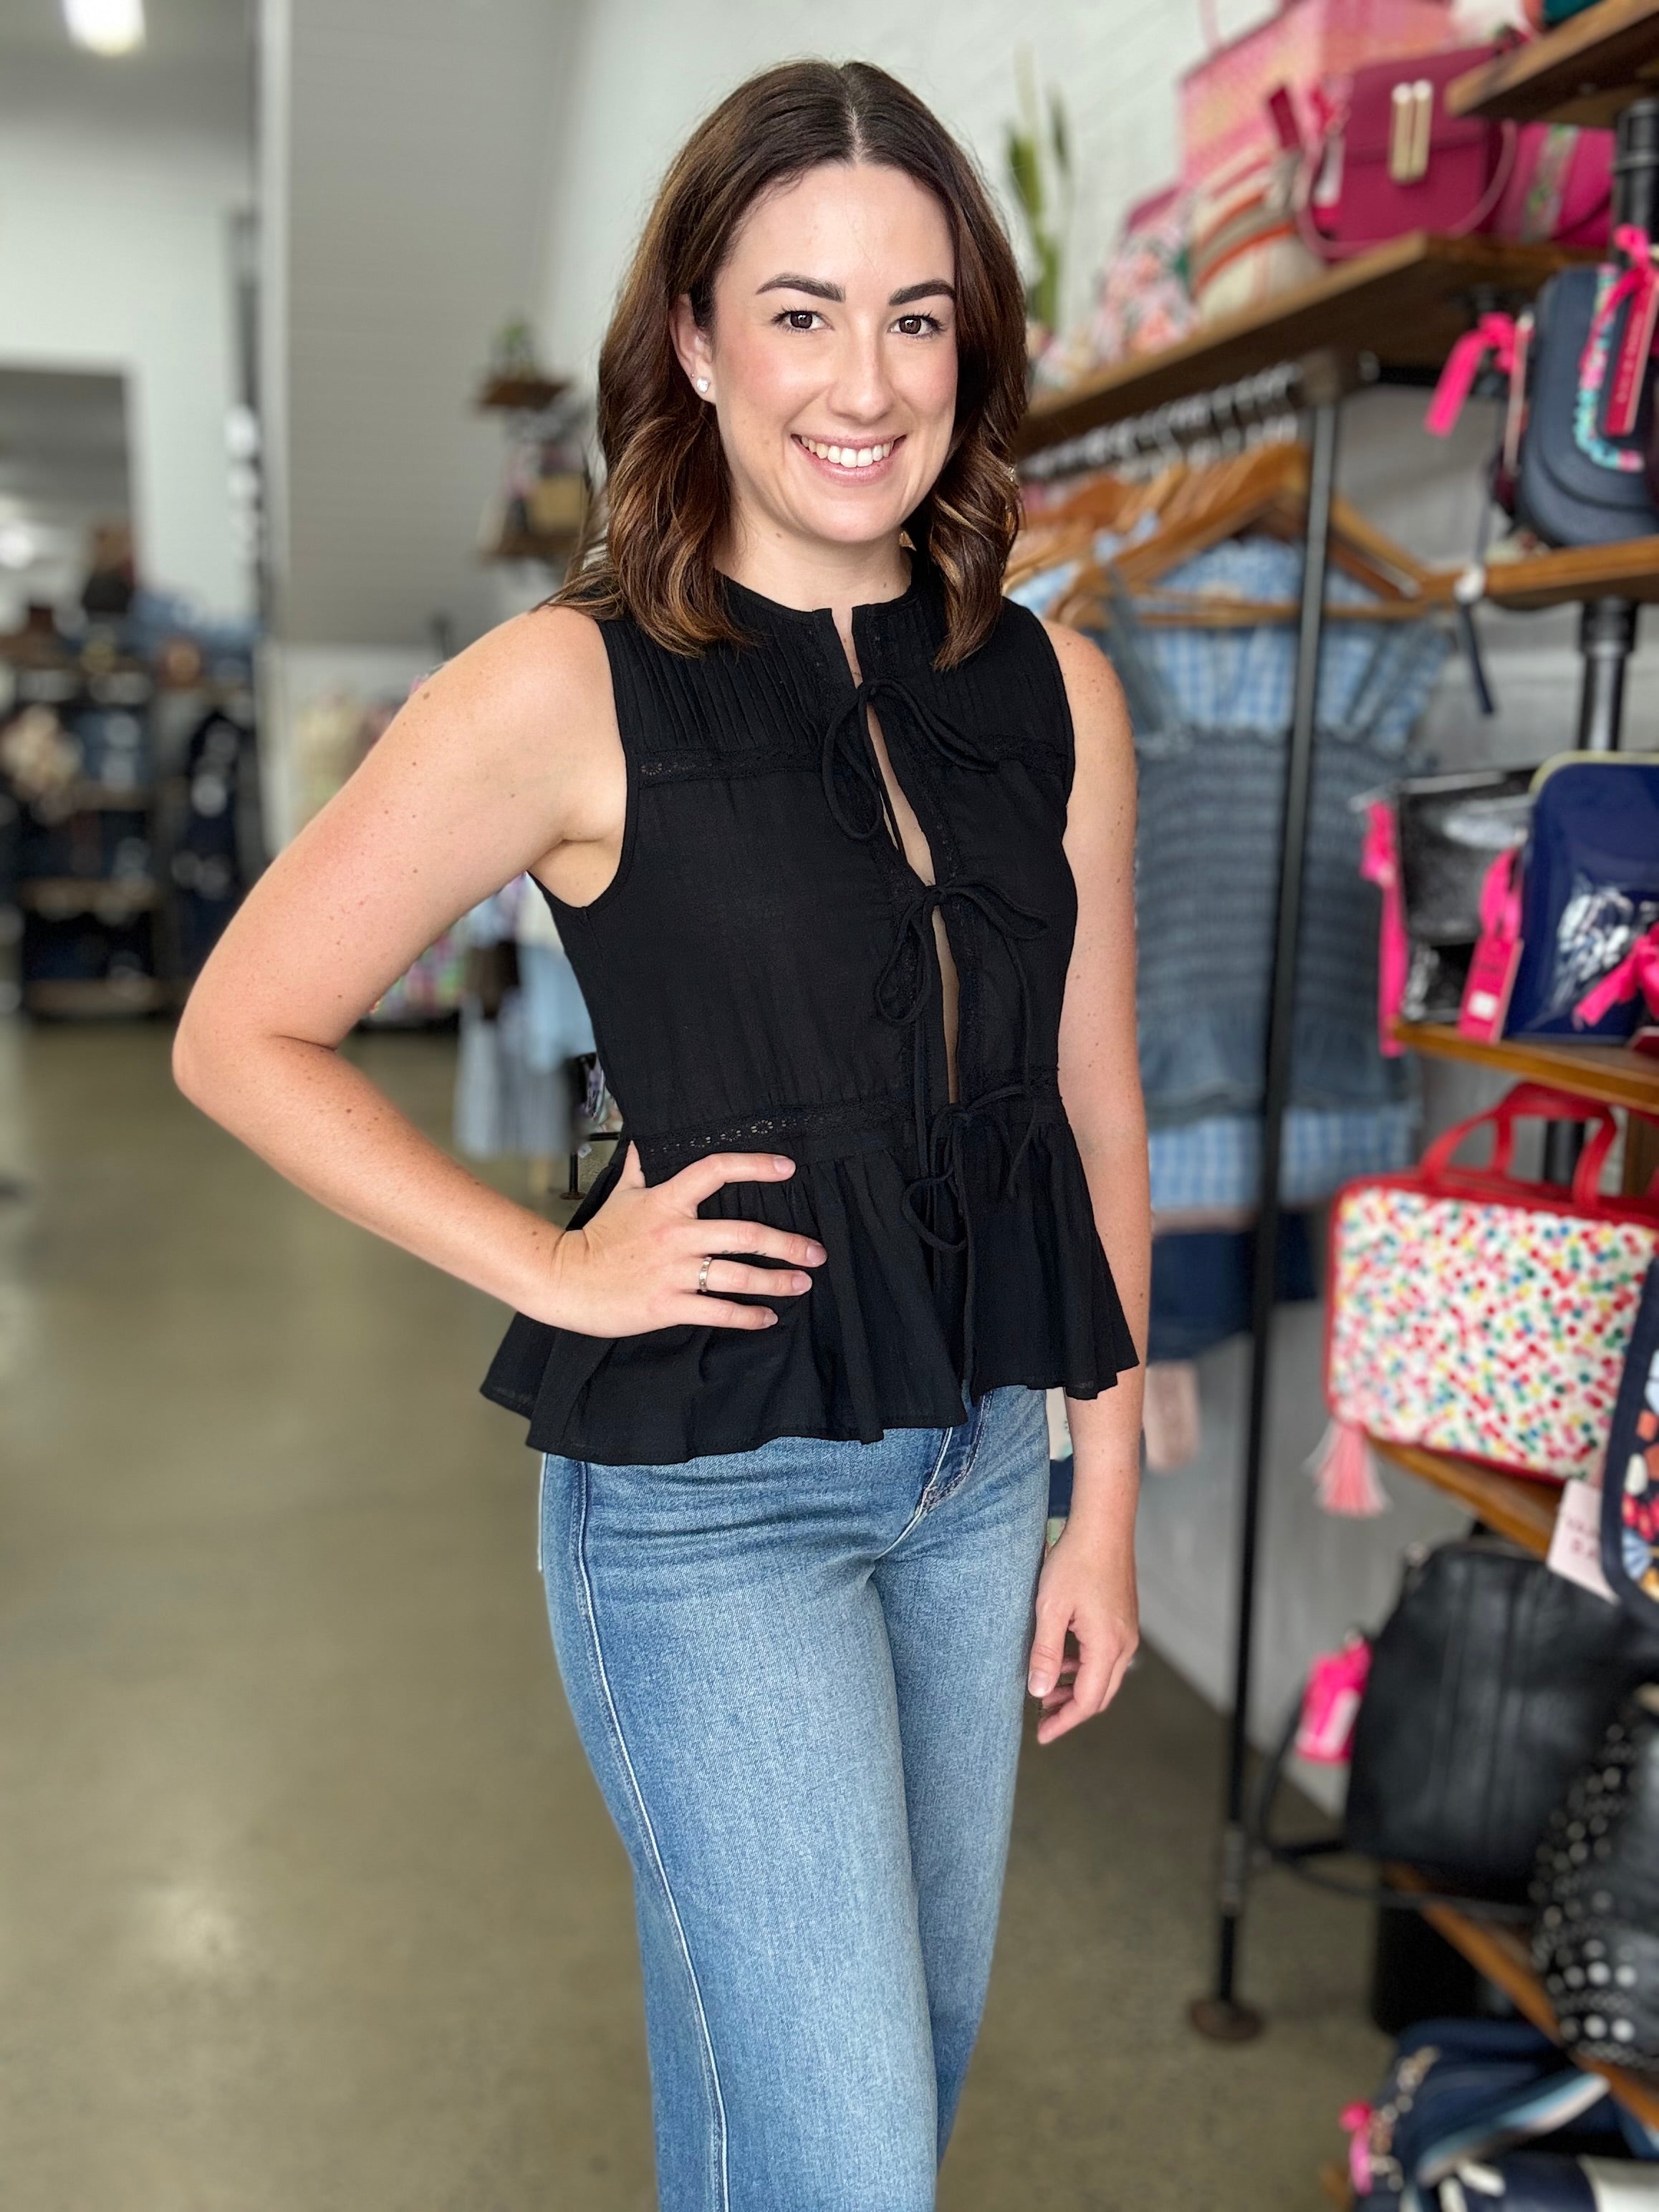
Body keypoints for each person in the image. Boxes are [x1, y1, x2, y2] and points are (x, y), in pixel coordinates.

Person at [174, 57, 1149, 2212]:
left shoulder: (1053, 691)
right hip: (714, 1511)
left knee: (867, 2099)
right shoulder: (563, 686)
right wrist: (552, 1262)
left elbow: (1091, 1102)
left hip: (984, 1472)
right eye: (800, 312)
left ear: (970, 347)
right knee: (851, 2161)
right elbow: (242, 1031)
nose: (865, 382)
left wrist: (1105, 1499)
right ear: (696, 343)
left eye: (915, 316)